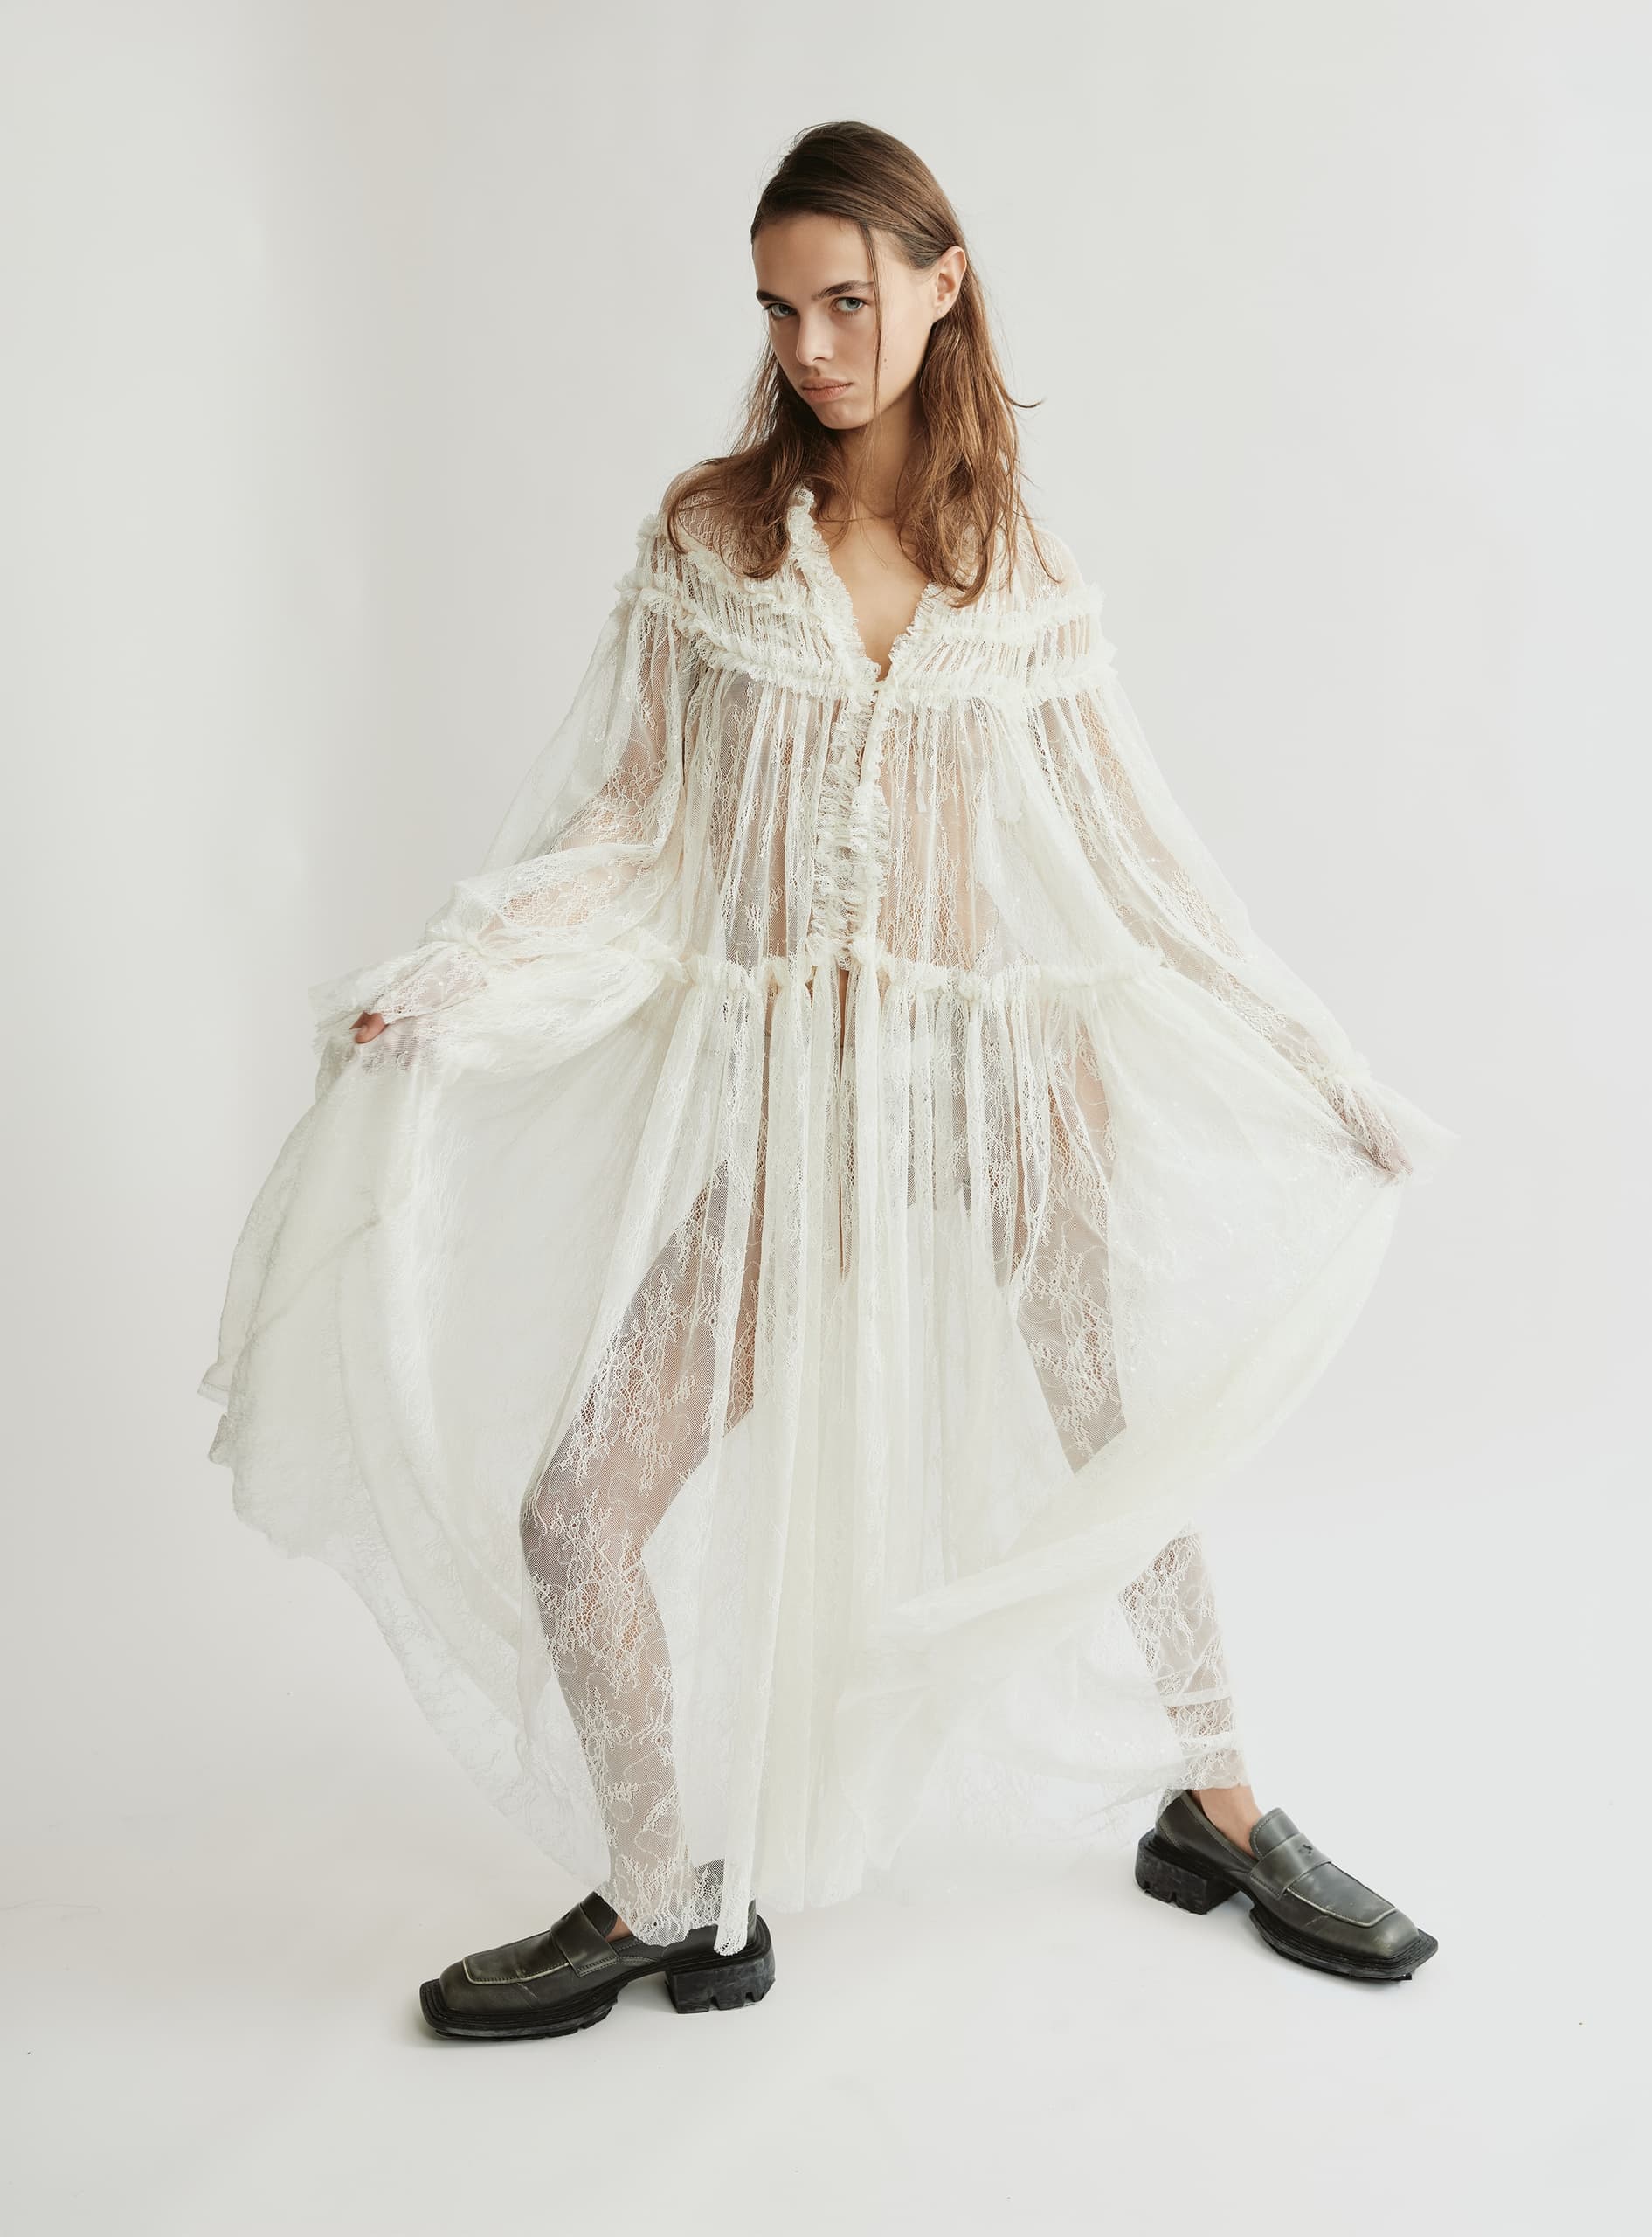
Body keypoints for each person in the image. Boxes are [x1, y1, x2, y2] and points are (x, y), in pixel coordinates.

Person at [199, 120, 1455, 2042]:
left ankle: (1217, 1808)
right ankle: (666, 1889)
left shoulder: (1007, 561)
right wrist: (454, 973)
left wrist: (1318, 1060)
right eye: (782, 309)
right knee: (575, 1508)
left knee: (1110, 1436)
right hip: (801, 1105)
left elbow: (1136, 856)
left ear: (942, 283)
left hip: (997, 1081)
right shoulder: (714, 539)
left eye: (847, 301)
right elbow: (630, 830)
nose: (811, 347)